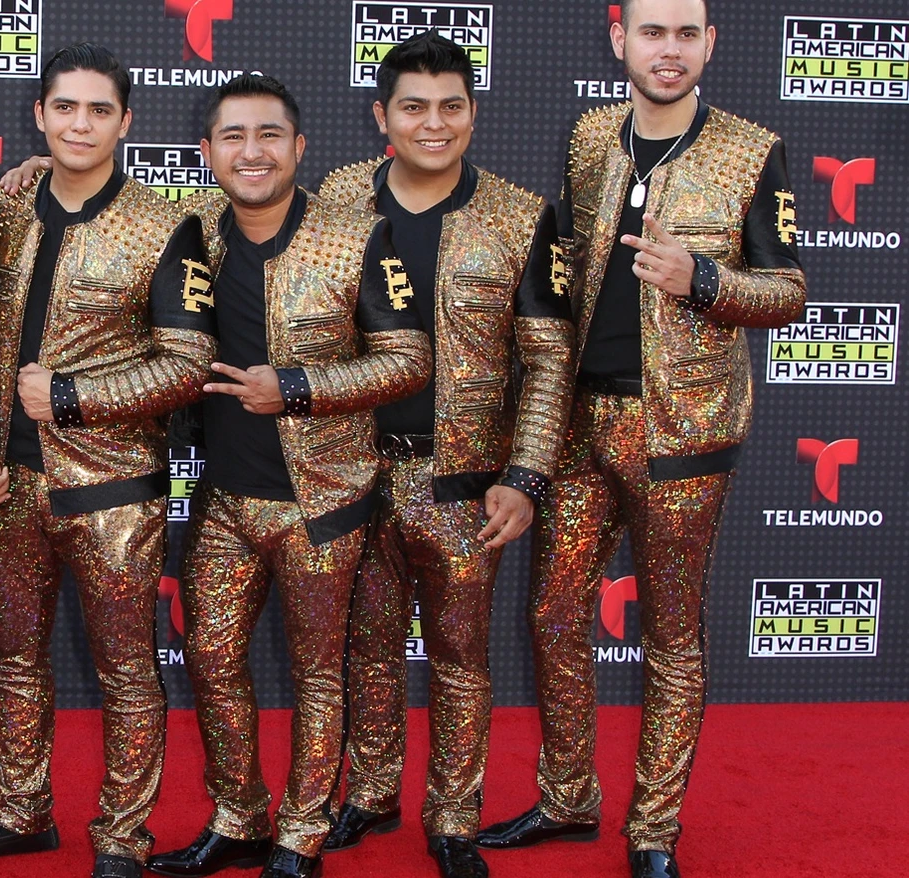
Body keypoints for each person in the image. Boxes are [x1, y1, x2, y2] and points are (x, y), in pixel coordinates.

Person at [473, 2, 805, 877]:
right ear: (621, 40)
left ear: (710, 44)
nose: (670, 50)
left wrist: (704, 280)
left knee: (671, 635)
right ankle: (567, 797)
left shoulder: (751, 150)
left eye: (687, 34)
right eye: (653, 32)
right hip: (582, 419)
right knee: (552, 613)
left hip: (683, 431)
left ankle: (654, 831)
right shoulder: (590, 136)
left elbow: (788, 291)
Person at [0, 43, 216, 878]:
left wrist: (75, 398)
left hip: (113, 491)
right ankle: (22, 813)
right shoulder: (3, 208)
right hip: (6, 485)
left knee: (127, 670)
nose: (79, 124)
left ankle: (122, 837)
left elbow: (188, 365)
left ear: (125, 122)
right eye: (65, 108)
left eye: (98, 110)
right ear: (40, 115)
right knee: (15, 660)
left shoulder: (166, 225)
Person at [145, 74, 432, 878]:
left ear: (299, 147)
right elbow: (98, 208)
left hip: (322, 502)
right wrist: (29, 175)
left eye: (269, 134)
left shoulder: (357, 238)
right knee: (209, 659)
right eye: (233, 136)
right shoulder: (189, 231)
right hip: (223, 503)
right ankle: (238, 816)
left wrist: (298, 389)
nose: (252, 152)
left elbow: (409, 359)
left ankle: (302, 834)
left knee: (317, 674)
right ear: (206, 152)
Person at [315, 32, 574, 878]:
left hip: (462, 480)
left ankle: (454, 816)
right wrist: (35, 177)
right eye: (415, 107)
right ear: (381, 115)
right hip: (352, 468)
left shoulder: (521, 214)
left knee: (461, 656)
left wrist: (525, 475)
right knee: (366, 646)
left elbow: (547, 360)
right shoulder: (338, 197)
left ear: (473, 113)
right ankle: (370, 793)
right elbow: (231, 230)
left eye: (451, 107)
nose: (434, 124)